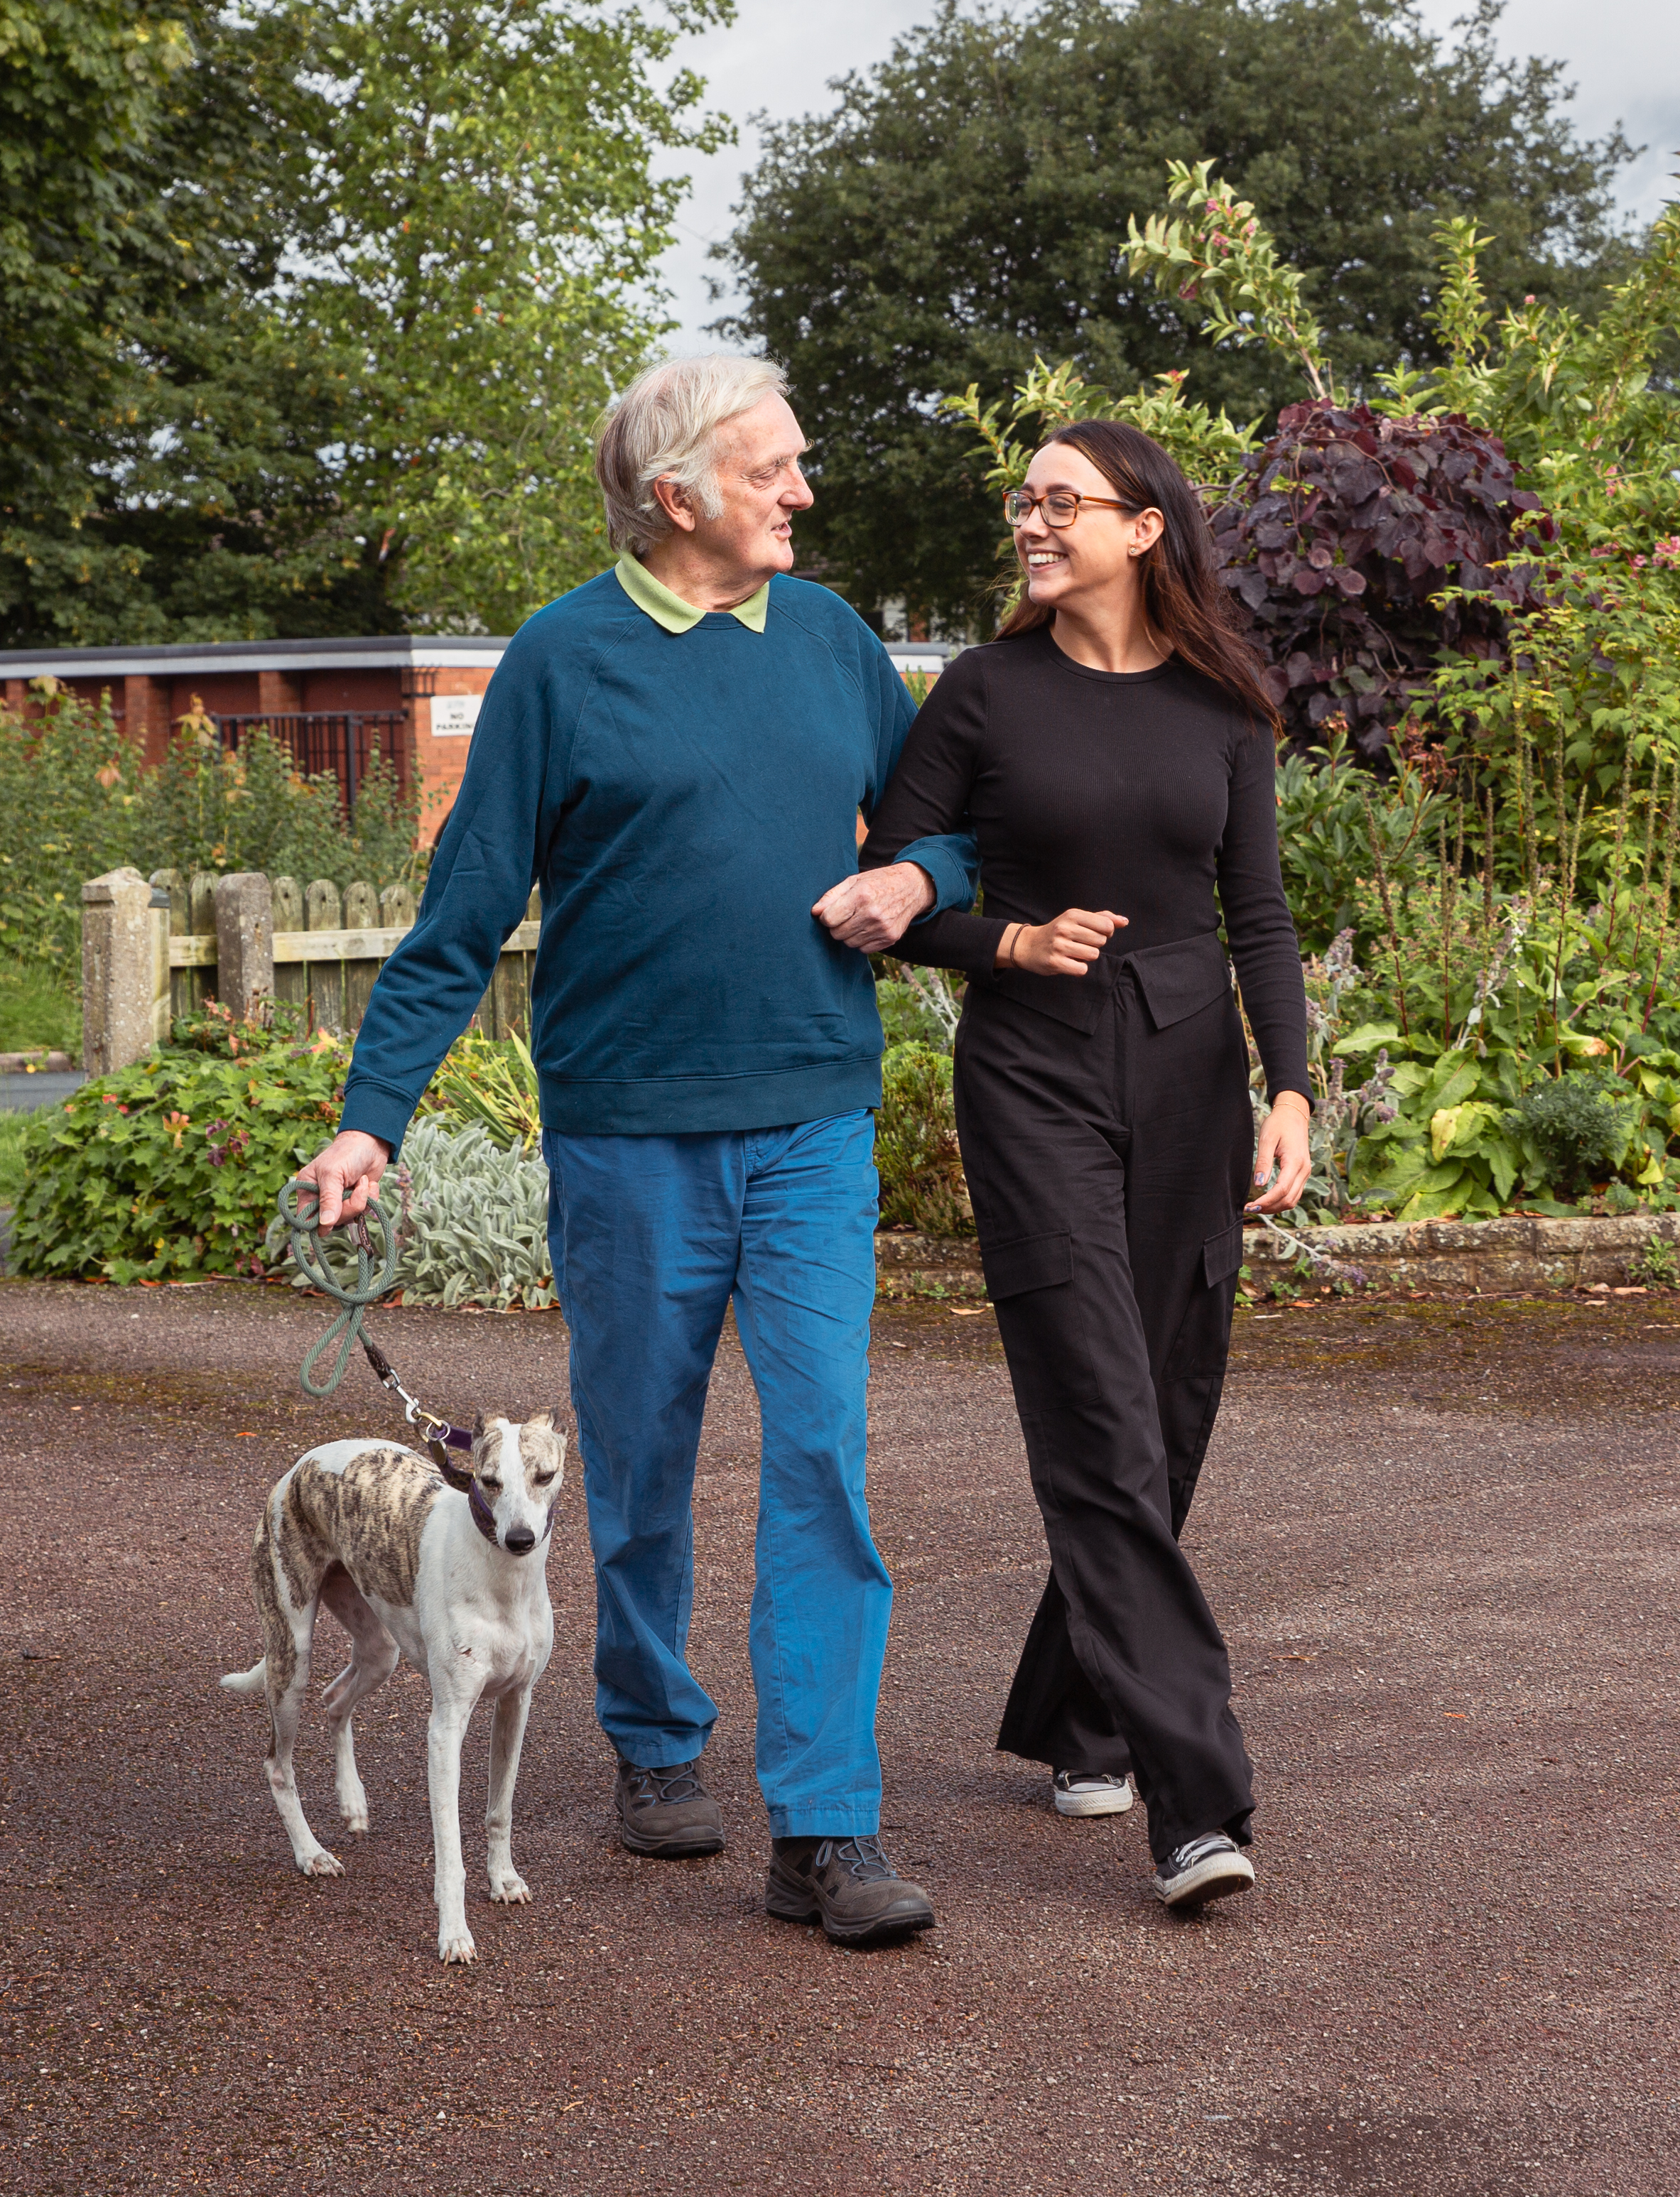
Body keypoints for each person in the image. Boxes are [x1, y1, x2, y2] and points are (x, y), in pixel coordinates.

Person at [290, 354, 979, 1950]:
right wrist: (369, 1118)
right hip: (628, 1136)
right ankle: (656, 1734)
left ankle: (825, 1821)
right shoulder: (563, 659)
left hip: (812, 1118)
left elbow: (946, 821)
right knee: (643, 1459)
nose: (805, 490)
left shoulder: (830, 638)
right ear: (678, 497)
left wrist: (916, 881)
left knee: (820, 1459)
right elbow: (465, 912)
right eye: (775, 468)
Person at [860, 417, 1313, 1911]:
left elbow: (1257, 911)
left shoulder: (1222, 703)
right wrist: (1006, 938)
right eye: (1024, 500)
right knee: (1099, 1411)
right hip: (1034, 1069)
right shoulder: (982, 691)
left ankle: (1082, 1708)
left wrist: (1293, 1084)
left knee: (1170, 1408)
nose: (1032, 521)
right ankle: (1197, 1797)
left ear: (1142, 528)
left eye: (1061, 501)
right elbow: (891, 884)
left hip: (1190, 1070)